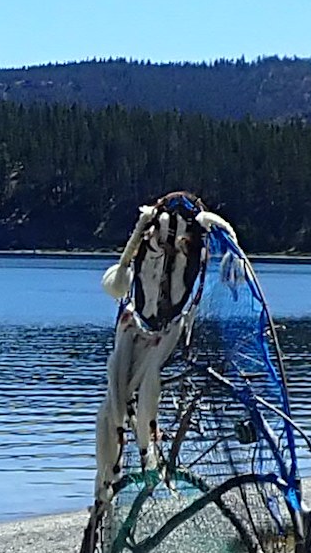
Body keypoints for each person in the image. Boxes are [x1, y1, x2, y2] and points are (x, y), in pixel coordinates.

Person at [97, 190, 233, 491]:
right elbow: (123, 276)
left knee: (139, 389)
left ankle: (148, 455)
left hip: (165, 328)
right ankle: (142, 458)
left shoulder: (189, 231)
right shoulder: (148, 232)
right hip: (144, 327)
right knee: (118, 399)